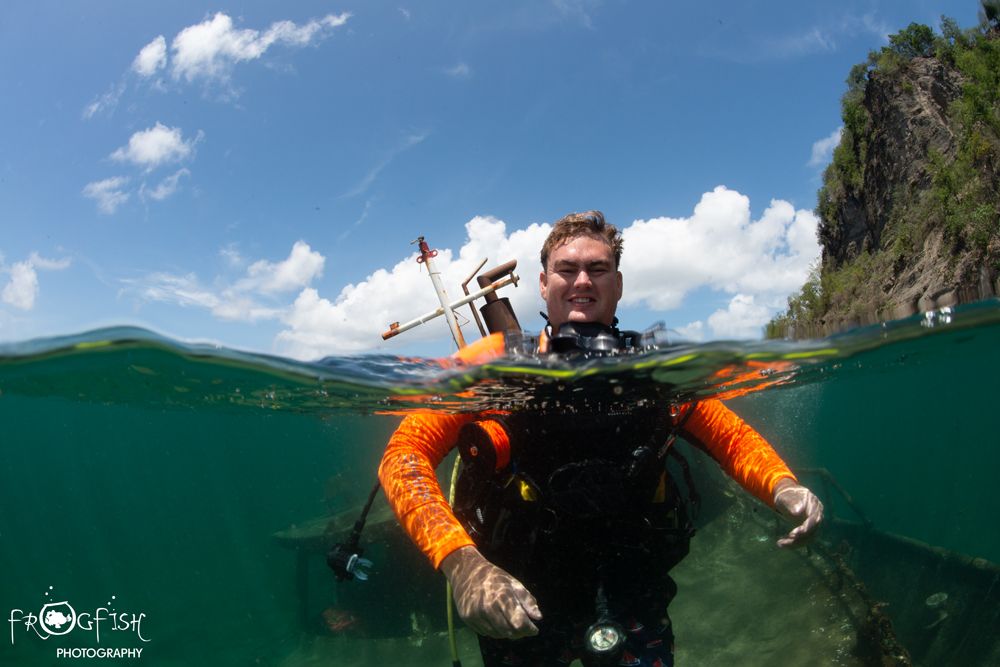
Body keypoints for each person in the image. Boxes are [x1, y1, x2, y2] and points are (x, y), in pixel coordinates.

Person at [379, 211, 824, 667]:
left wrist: (782, 485)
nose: (582, 282)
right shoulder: (490, 365)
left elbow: (730, 437)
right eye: (566, 270)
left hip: (634, 597)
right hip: (514, 602)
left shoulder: (655, 369)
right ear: (542, 283)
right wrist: (462, 565)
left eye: (598, 269)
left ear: (619, 284)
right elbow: (403, 455)